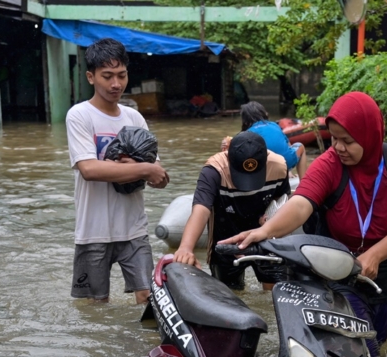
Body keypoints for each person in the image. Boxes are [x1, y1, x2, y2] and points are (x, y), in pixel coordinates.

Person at [218, 92, 387, 356]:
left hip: (385, 273)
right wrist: (264, 231)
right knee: (362, 350)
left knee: (379, 346)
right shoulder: (330, 164)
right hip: (335, 269)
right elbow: (301, 203)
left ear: (369, 136)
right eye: (334, 138)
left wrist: (374, 255)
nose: (338, 147)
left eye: (347, 141)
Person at [65, 38, 170, 304]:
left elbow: (157, 174)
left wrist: (151, 172)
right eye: (107, 76)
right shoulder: (80, 115)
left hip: (134, 228)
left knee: (149, 299)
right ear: (91, 77)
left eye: (121, 75)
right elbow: (88, 168)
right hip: (93, 230)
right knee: (94, 306)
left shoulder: (134, 118)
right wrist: (143, 168)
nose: (116, 84)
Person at [173, 131, 291, 291]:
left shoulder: (279, 166)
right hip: (225, 237)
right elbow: (201, 210)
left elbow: (282, 200)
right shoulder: (213, 171)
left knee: (275, 292)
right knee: (231, 293)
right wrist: (186, 248)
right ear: (227, 156)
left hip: (265, 235)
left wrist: (271, 219)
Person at [221, 101, 309, 178]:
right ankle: (303, 183)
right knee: (300, 146)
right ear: (263, 113)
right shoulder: (274, 125)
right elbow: (287, 147)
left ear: (245, 120)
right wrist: (287, 170)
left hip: (264, 168)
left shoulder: (246, 134)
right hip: (285, 164)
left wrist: (226, 147)